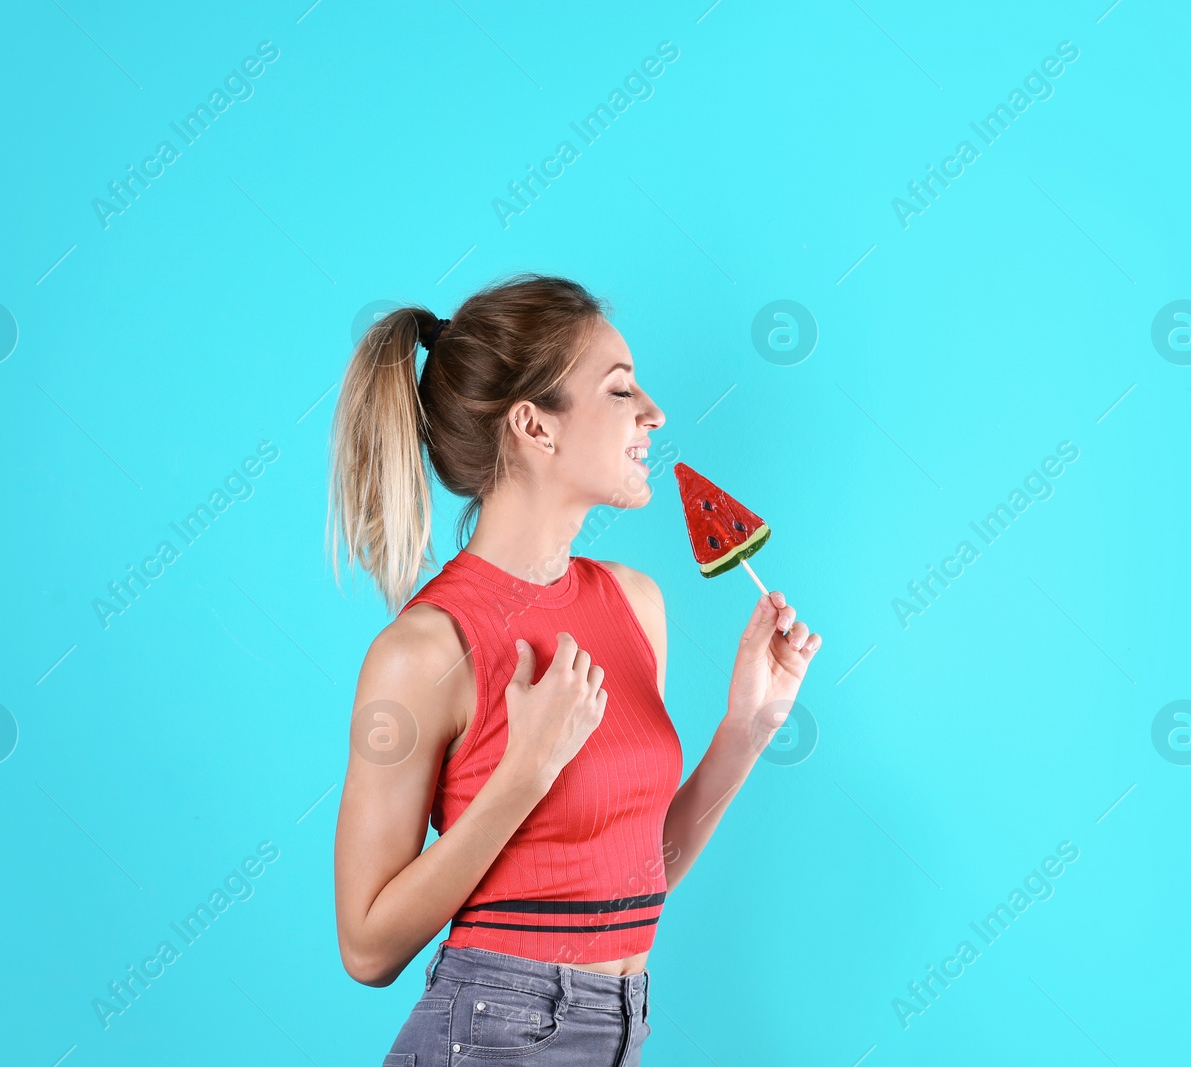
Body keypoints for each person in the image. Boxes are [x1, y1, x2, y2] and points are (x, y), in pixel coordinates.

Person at [328, 273, 823, 1065]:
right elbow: (367, 947)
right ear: (534, 425)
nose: (653, 413)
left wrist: (748, 727)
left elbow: (638, 873)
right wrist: (524, 772)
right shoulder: (424, 650)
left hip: (620, 1025)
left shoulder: (634, 603)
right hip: (491, 1034)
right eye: (621, 390)